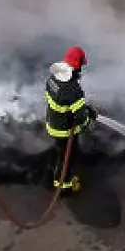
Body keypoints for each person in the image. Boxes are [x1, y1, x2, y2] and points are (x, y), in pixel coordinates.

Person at [44, 46, 94, 193]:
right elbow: (80, 117)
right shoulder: (72, 89)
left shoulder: (53, 78)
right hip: (64, 130)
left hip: (53, 122)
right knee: (67, 157)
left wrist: (82, 109)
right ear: (77, 65)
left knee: (59, 152)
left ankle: (53, 172)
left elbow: (63, 102)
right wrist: (86, 121)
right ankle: (64, 187)